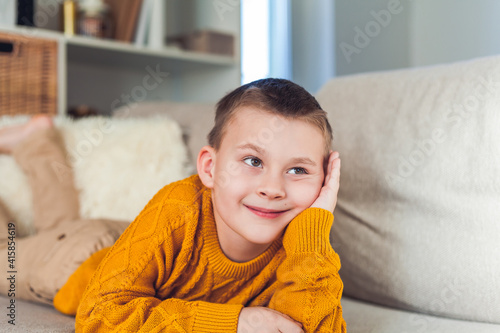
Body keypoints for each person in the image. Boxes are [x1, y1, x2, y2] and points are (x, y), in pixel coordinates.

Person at [70, 78, 346, 333]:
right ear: (210, 168)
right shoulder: (176, 208)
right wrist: (235, 322)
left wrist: (313, 232)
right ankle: (40, 140)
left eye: (298, 170)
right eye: (253, 161)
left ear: (324, 181)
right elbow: (98, 316)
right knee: (58, 224)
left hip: (148, 247)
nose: (273, 189)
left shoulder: (304, 242)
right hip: (81, 258)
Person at [0, 115, 128, 305]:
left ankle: (37, 141)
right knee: (61, 231)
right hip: (94, 254)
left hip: (126, 235)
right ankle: (36, 141)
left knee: (61, 227)